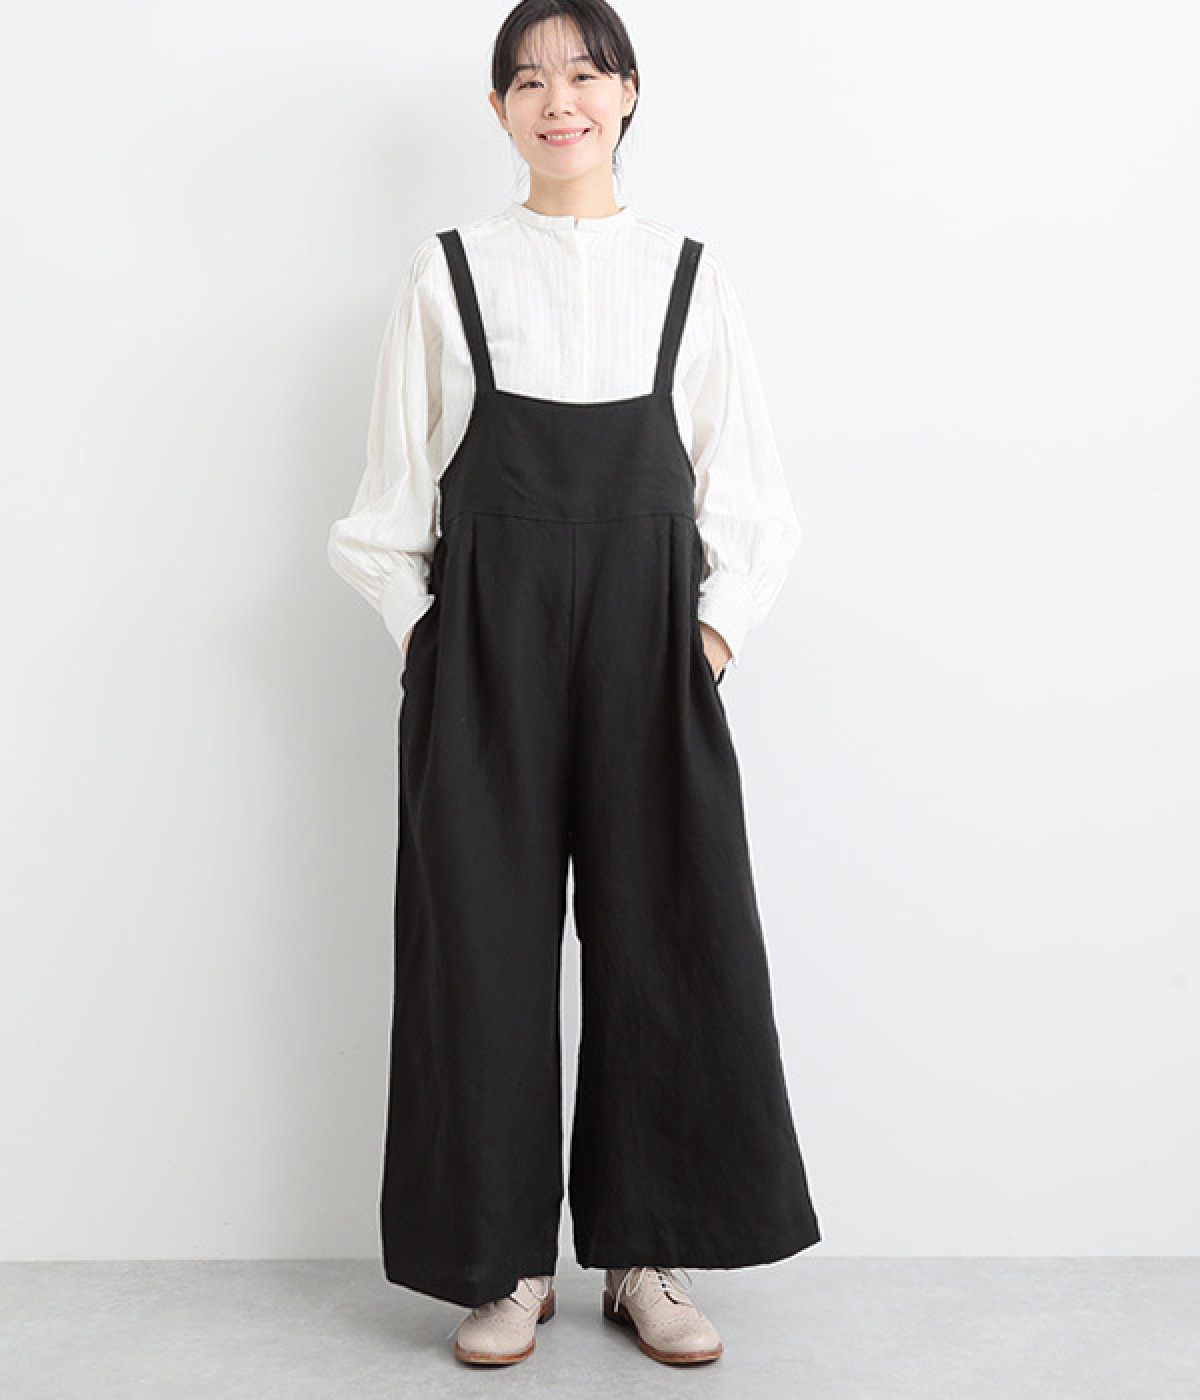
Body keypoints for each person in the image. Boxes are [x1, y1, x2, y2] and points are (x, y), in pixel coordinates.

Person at [327, 0, 821, 1369]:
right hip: (484, 658)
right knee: (477, 952)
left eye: (586, 74)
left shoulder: (688, 277)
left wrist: (705, 641)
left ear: (629, 93)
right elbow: (384, 508)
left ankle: (645, 1254)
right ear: (497, 109)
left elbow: (754, 502)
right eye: (530, 79)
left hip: (652, 654)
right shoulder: (449, 276)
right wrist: (432, 644)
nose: (561, 100)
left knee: (668, 938)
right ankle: (503, 1262)